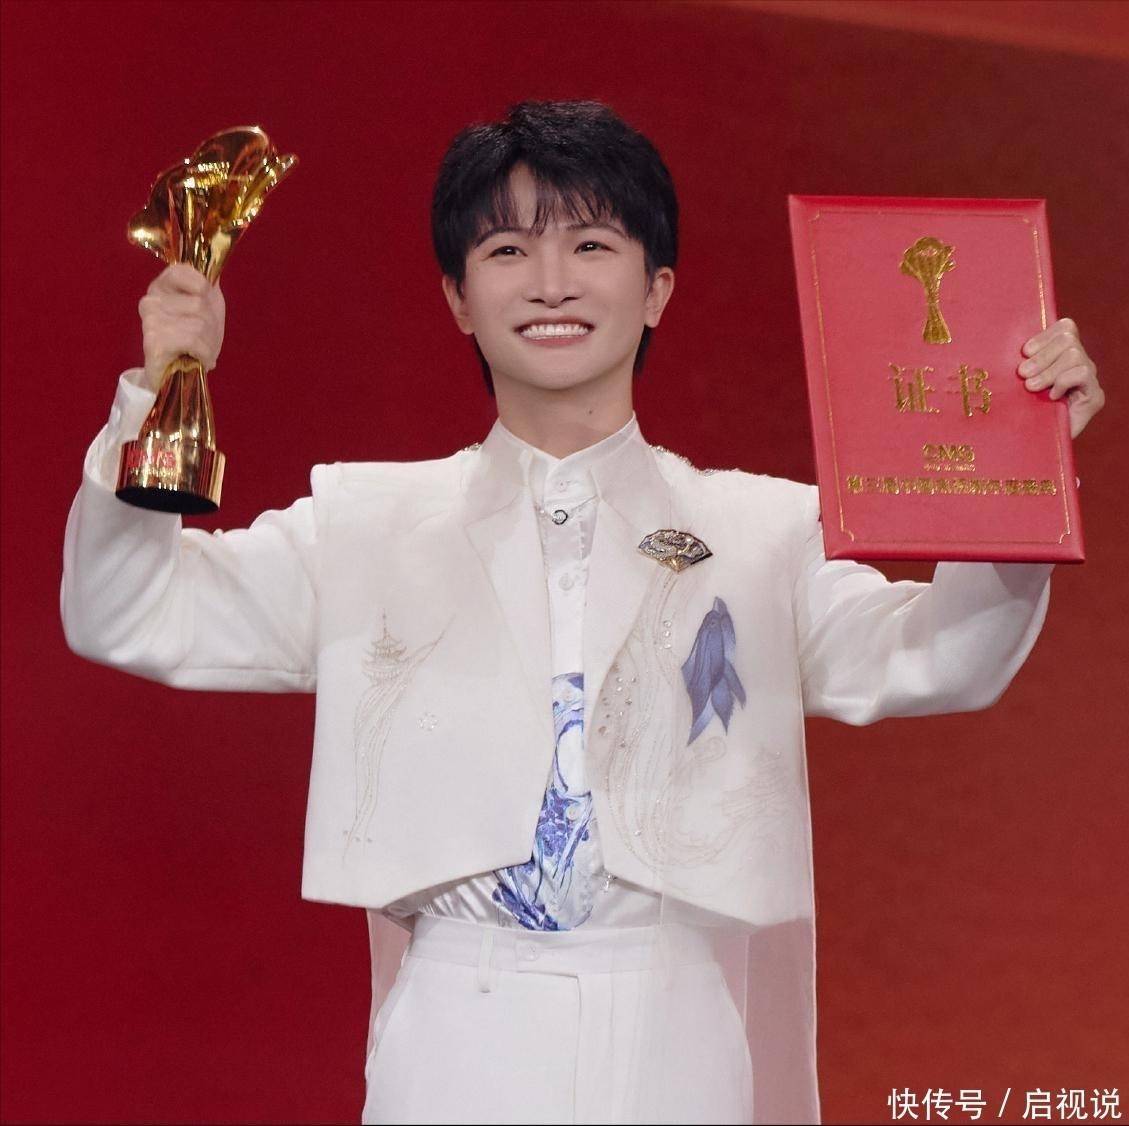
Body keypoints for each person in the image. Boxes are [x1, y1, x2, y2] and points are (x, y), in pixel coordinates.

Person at [61, 100, 1104, 1125]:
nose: (551, 282)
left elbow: (942, 656)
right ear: (458, 297)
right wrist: (157, 392)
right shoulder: (367, 524)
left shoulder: (762, 531)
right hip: (458, 1024)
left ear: (656, 290)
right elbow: (128, 611)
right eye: (507, 250)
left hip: (676, 1024)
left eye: (592, 244)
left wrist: (1018, 466)